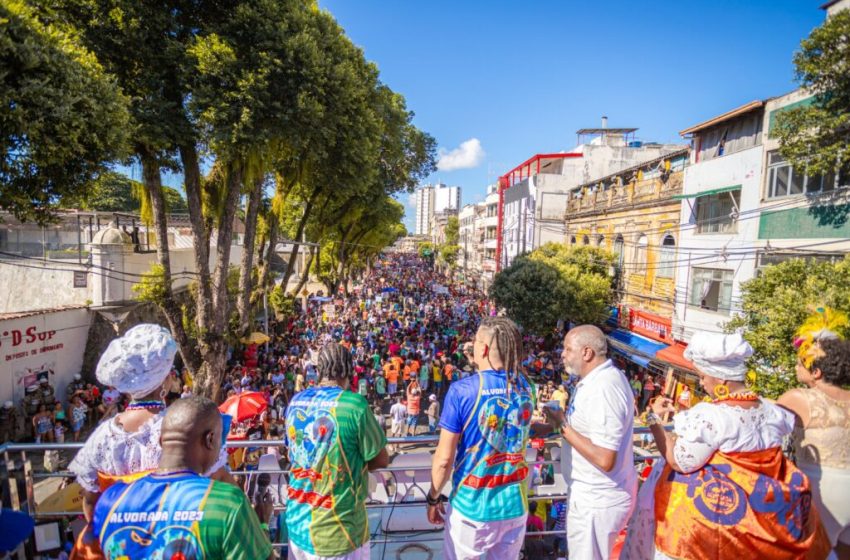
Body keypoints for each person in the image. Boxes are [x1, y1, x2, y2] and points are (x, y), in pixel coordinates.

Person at [622, 331, 829, 559]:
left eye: (702, 377)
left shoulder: (712, 416)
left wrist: (652, 419)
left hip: (711, 522)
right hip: (760, 516)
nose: (702, 383)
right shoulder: (770, 411)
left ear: (720, 379)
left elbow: (678, 461)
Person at [68, 324, 231, 558]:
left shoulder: (102, 436)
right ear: (164, 380)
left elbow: (91, 502)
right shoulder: (184, 428)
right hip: (181, 546)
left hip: (123, 548)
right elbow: (223, 484)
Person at [92, 396, 273, 560]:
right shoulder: (227, 502)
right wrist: (263, 524)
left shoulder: (110, 500)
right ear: (210, 440)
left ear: (161, 440)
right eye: (220, 440)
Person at [427, 317, 536, 560]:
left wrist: (433, 497)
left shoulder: (461, 391)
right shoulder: (527, 386)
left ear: (484, 349)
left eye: (475, 341)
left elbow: (444, 460)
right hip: (514, 504)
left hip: (472, 508)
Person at [284, 342, 389, 559]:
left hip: (297, 526)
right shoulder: (354, 406)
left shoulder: (295, 402)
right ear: (349, 371)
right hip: (339, 532)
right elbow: (381, 459)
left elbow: (291, 453)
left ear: (319, 370)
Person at [540, 325, 636, 560]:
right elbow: (583, 432)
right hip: (592, 496)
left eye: (567, 349)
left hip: (597, 501)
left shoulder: (604, 388)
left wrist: (562, 425)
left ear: (587, 353)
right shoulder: (595, 382)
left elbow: (605, 458)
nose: (562, 354)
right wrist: (545, 427)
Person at [778, 308, 850, 559]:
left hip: (822, 490)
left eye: (800, 362)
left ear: (816, 372)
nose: (796, 366)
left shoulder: (800, 398)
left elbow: (762, 427)